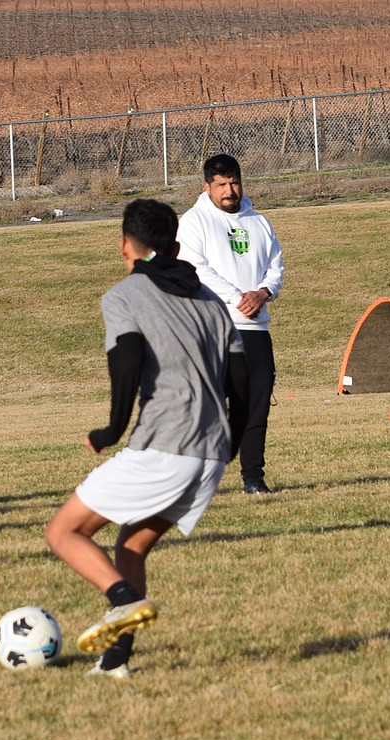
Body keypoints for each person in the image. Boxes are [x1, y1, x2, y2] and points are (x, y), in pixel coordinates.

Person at [44, 199, 248, 678]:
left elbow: (128, 358)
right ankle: (116, 662)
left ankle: (121, 601)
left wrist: (112, 429)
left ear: (124, 246)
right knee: (131, 547)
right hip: (210, 453)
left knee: (63, 531)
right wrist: (231, 445)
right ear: (174, 246)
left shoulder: (124, 296)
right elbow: (243, 378)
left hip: (166, 446)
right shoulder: (209, 300)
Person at [177, 153, 283, 494]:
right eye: (221, 184)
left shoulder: (260, 222)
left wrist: (264, 292)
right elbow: (195, 269)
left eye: (234, 182)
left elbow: (275, 266)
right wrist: (240, 297)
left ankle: (253, 478)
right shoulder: (194, 221)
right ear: (207, 186)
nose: (229, 190)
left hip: (255, 329)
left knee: (256, 405)